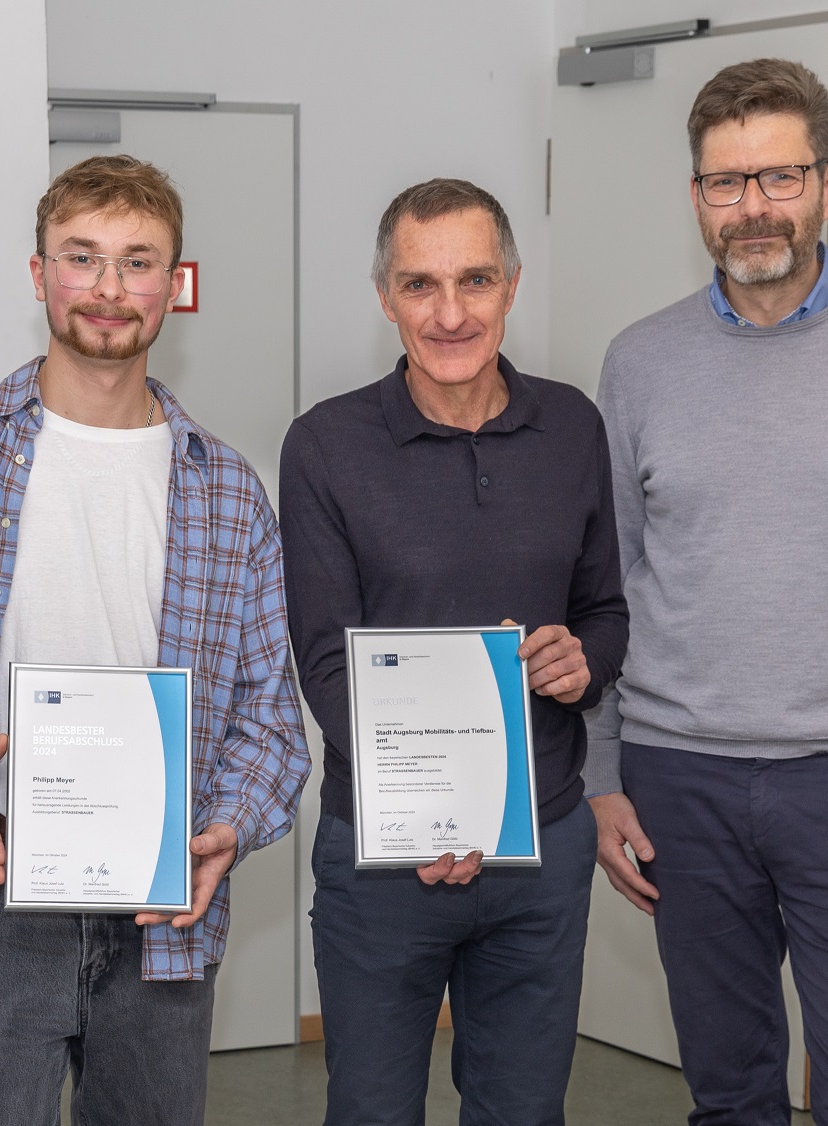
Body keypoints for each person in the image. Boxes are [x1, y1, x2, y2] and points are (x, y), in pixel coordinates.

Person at [0, 154, 308, 1126]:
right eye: (81, 257)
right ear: (37, 273)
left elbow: (270, 718)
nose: (107, 289)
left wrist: (227, 827)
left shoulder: (227, 492)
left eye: (138, 262)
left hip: (164, 909)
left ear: (173, 286)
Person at [583, 59, 828, 1125]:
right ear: (695, 197)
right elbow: (606, 586)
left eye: (778, 177)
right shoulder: (638, 362)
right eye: (725, 183)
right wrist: (604, 770)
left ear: (827, 184)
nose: (751, 207)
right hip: (679, 784)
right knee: (728, 1092)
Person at [281, 177, 628, 1126]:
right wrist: (426, 811)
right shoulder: (324, 446)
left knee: (523, 1111)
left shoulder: (573, 428)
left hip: (544, 846)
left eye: (474, 280)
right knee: (372, 1111)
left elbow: (606, 609)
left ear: (512, 285)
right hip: (384, 856)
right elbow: (324, 661)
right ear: (385, 295)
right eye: (419, 284)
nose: (448, 313)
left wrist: (583, 661)